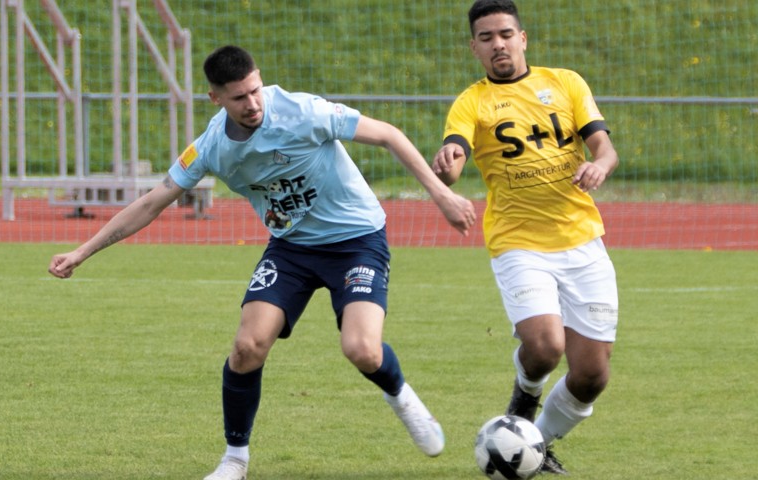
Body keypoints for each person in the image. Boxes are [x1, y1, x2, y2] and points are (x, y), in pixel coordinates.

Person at [49, 45, 476, 480]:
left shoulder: (301, 111)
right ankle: (235, 458)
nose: (252, 104)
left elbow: (388, 134)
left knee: (361, 349)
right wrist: (83, 251)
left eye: (255, 90)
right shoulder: (211, 147)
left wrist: (441, 196)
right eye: (239, 98)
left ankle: (402, 397)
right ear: (215, 98)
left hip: (356, 240)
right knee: (247, 347)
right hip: (291, 249)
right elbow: (153, 201)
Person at [432, 0, 620, 475]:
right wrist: (448, 163)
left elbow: (604, 146)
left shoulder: (566, 82)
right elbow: (454, 149)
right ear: (474, 47)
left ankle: (532, 441)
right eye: (486, 38)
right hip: (519, 243)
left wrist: (598, 164)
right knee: (543, 347)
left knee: (592, 375)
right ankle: (523, 401)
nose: (498, 44)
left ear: (523, 38)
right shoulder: (471, 101)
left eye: (505, 34)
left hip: (582, 240)